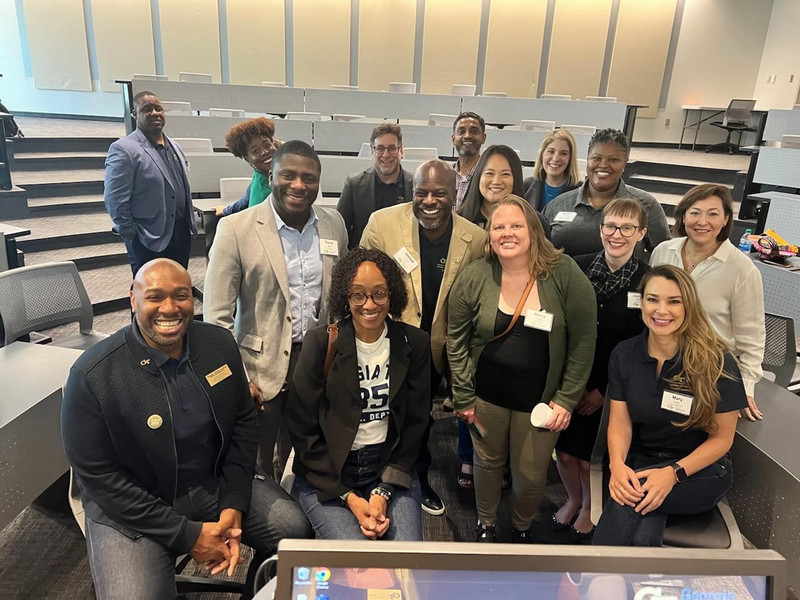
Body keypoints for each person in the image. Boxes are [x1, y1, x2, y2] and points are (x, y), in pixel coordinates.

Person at [61, 258, 311, 599]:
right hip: (135, 506)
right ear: (132, 300)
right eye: (154, 297)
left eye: (181, 295)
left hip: (213, 482)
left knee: (295, 532)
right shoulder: (92, 375)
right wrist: (189, 536)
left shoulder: (218, 345)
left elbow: (243, 421)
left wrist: (234, 502)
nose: (169, 308)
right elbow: (100, 479)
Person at [448, 195, 596, 543]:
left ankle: (522, 526)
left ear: (533, 230)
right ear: (489, 234)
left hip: (542, 402)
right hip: (485, 396)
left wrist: (567, 399)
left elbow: (584, 340)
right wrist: (463, 396)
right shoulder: (477, 275)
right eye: (498, 227)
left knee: (530, 475)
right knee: (486, 465)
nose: (507, 233)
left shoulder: (563, 272)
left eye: (516, 225)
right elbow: (455, 340)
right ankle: (485, 523)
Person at [203, 140, 348, 476]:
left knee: (306, 450)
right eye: (289, 175)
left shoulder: (334, 224)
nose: (299, 185)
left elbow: (337, 297)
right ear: (271, 176)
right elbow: (217, 317)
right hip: (259, 366)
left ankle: (299, 516)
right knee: (258, 461)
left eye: (309, 178)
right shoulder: (236, 228)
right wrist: (239, 377)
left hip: (317, 361)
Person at [361, 160, 487, 516]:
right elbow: (360, 277)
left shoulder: (474, 239)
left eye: (439, 193)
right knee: (382, 412)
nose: (429, 200)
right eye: (422, 192)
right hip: (388, 339)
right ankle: (370, 478)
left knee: (420, 417)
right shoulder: (382, 223)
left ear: (455, 195)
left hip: (440, 344)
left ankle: (416, 479)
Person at [593, 265, 748, 546]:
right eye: (652, 299)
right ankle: (642, 587)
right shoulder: (624, 354)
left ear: (688, 306)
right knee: (640, 511)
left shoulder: (716, 359)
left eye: (673, 301)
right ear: (641, 303)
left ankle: (596, 582)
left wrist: (673, 474)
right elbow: (620, 422)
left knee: (631, 500)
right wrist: (617, 465)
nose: (661, 310)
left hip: (701, 468)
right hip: (644, 458)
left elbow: (722, 439)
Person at [287, 247, 431, 540]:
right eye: (358, 295)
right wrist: (349, 497)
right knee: (357, 561)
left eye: (380, 293)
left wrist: (383, 491)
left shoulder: (414, 343)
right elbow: (303, 432)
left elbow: (416, 425)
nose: (370, 304)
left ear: (392, 295)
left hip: (388, 467)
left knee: (405, 560)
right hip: (329, 475)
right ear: (345, 297)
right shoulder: (319, 344)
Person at [554, 198, 649, 539]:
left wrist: (601, 390)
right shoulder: (575, 267)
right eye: (610, 226)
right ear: (600, 229)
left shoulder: (647, 281)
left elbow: (641, 346)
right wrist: (572, 383)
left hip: (613, 387)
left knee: (589, 459)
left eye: (627, 228)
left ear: (641, 233)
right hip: (571, 380)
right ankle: (573, 499)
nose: (617, 234)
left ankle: (592, 507)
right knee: (564, 453)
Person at [650, 184, 764, 421]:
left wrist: (745, 389)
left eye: (712, 214)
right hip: (658, 364)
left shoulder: (742, 270)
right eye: (695, 212)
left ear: (726, 220)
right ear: (683, 216)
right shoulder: (662, 252)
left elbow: (751, 340)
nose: (702, 221)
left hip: (708, 373)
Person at [543, 128, 670, 261]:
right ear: (587, 160)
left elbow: (663, 257)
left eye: (613, 160)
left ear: (624, 164)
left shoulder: (646, 205)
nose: (603, 165)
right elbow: (539, 254)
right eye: (596, 158)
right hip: (563, 282)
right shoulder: (558, 205)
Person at [104, 91, 195, 276]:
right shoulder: (124, 149)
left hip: (180, 232)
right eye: (147, 109)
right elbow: (114, 199)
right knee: (149, 292)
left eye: (158, 108)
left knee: (176, 285)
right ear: (135, 114)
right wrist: (132, 235)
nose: (154, 113)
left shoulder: (175, 146)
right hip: (147, 237)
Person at [337, 122, 413, 248]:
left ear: (401, 151)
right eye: (380, 148)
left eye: (392, 148)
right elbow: (341, 230)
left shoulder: (415, 186)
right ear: (372, 152)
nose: (386, 154)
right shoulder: (354, 184)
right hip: (364, 261)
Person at [458, 144, 551, 237]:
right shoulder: (458, 221)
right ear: (478, 177)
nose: (496, 181)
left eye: (505, 174)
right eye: (489, 173)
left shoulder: (535, 222)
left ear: (516, 179)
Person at [214, 117, 281, 216]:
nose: (265, 152)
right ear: (247, 159)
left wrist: (226, 210)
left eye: (267, 145)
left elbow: (244, 201)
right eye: (255, 151)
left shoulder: (260, 175)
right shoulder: (264, 193)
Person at [522, 129, 582, 211]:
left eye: (563, 153)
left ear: (570, 158)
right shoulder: (526, 187)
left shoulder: (581, 191)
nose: (556, 158)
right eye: (551, 151)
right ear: (542, 154)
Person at [451, 112, 488, 211]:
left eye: (474, 131)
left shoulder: (489, 176)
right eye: (461, 131)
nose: (467, 136)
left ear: (483, 138)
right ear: (453, 139)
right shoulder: (445, 175)